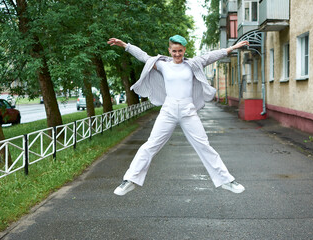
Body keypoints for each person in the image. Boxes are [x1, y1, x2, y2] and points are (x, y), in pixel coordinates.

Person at [107, 35, 249, 196]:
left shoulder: (192, 64)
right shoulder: (162, 65)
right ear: (169, 50)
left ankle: (226, 181)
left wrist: (232, 48)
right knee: (151, 144)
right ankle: (130, 180)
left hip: (188, 111)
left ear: (184, 50)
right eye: (174, 51)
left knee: (204, 145)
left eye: (180, 51)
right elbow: (144, 56)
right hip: (169, 110)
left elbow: (211, 55)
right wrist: (124, 45)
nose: (177, 54)